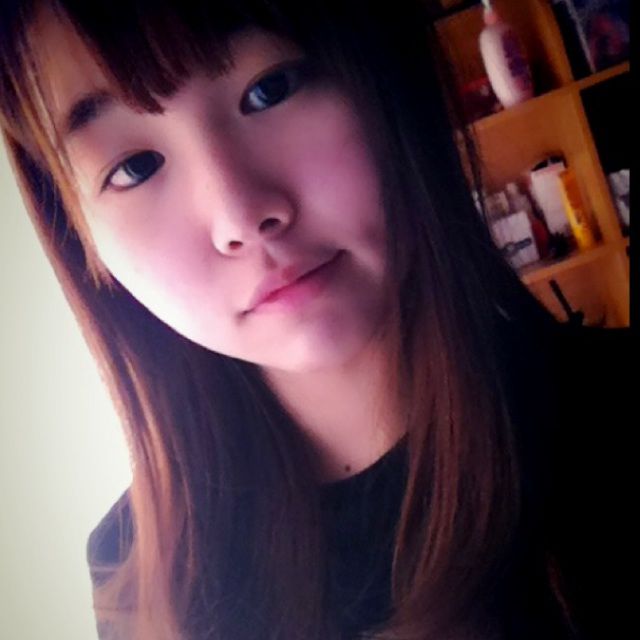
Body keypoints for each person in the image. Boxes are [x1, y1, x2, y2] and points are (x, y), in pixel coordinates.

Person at [0, 1, 631, 639]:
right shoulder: (137, 582)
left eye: (269, 90)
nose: (240, 215)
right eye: (134, 168)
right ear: (80, 238)